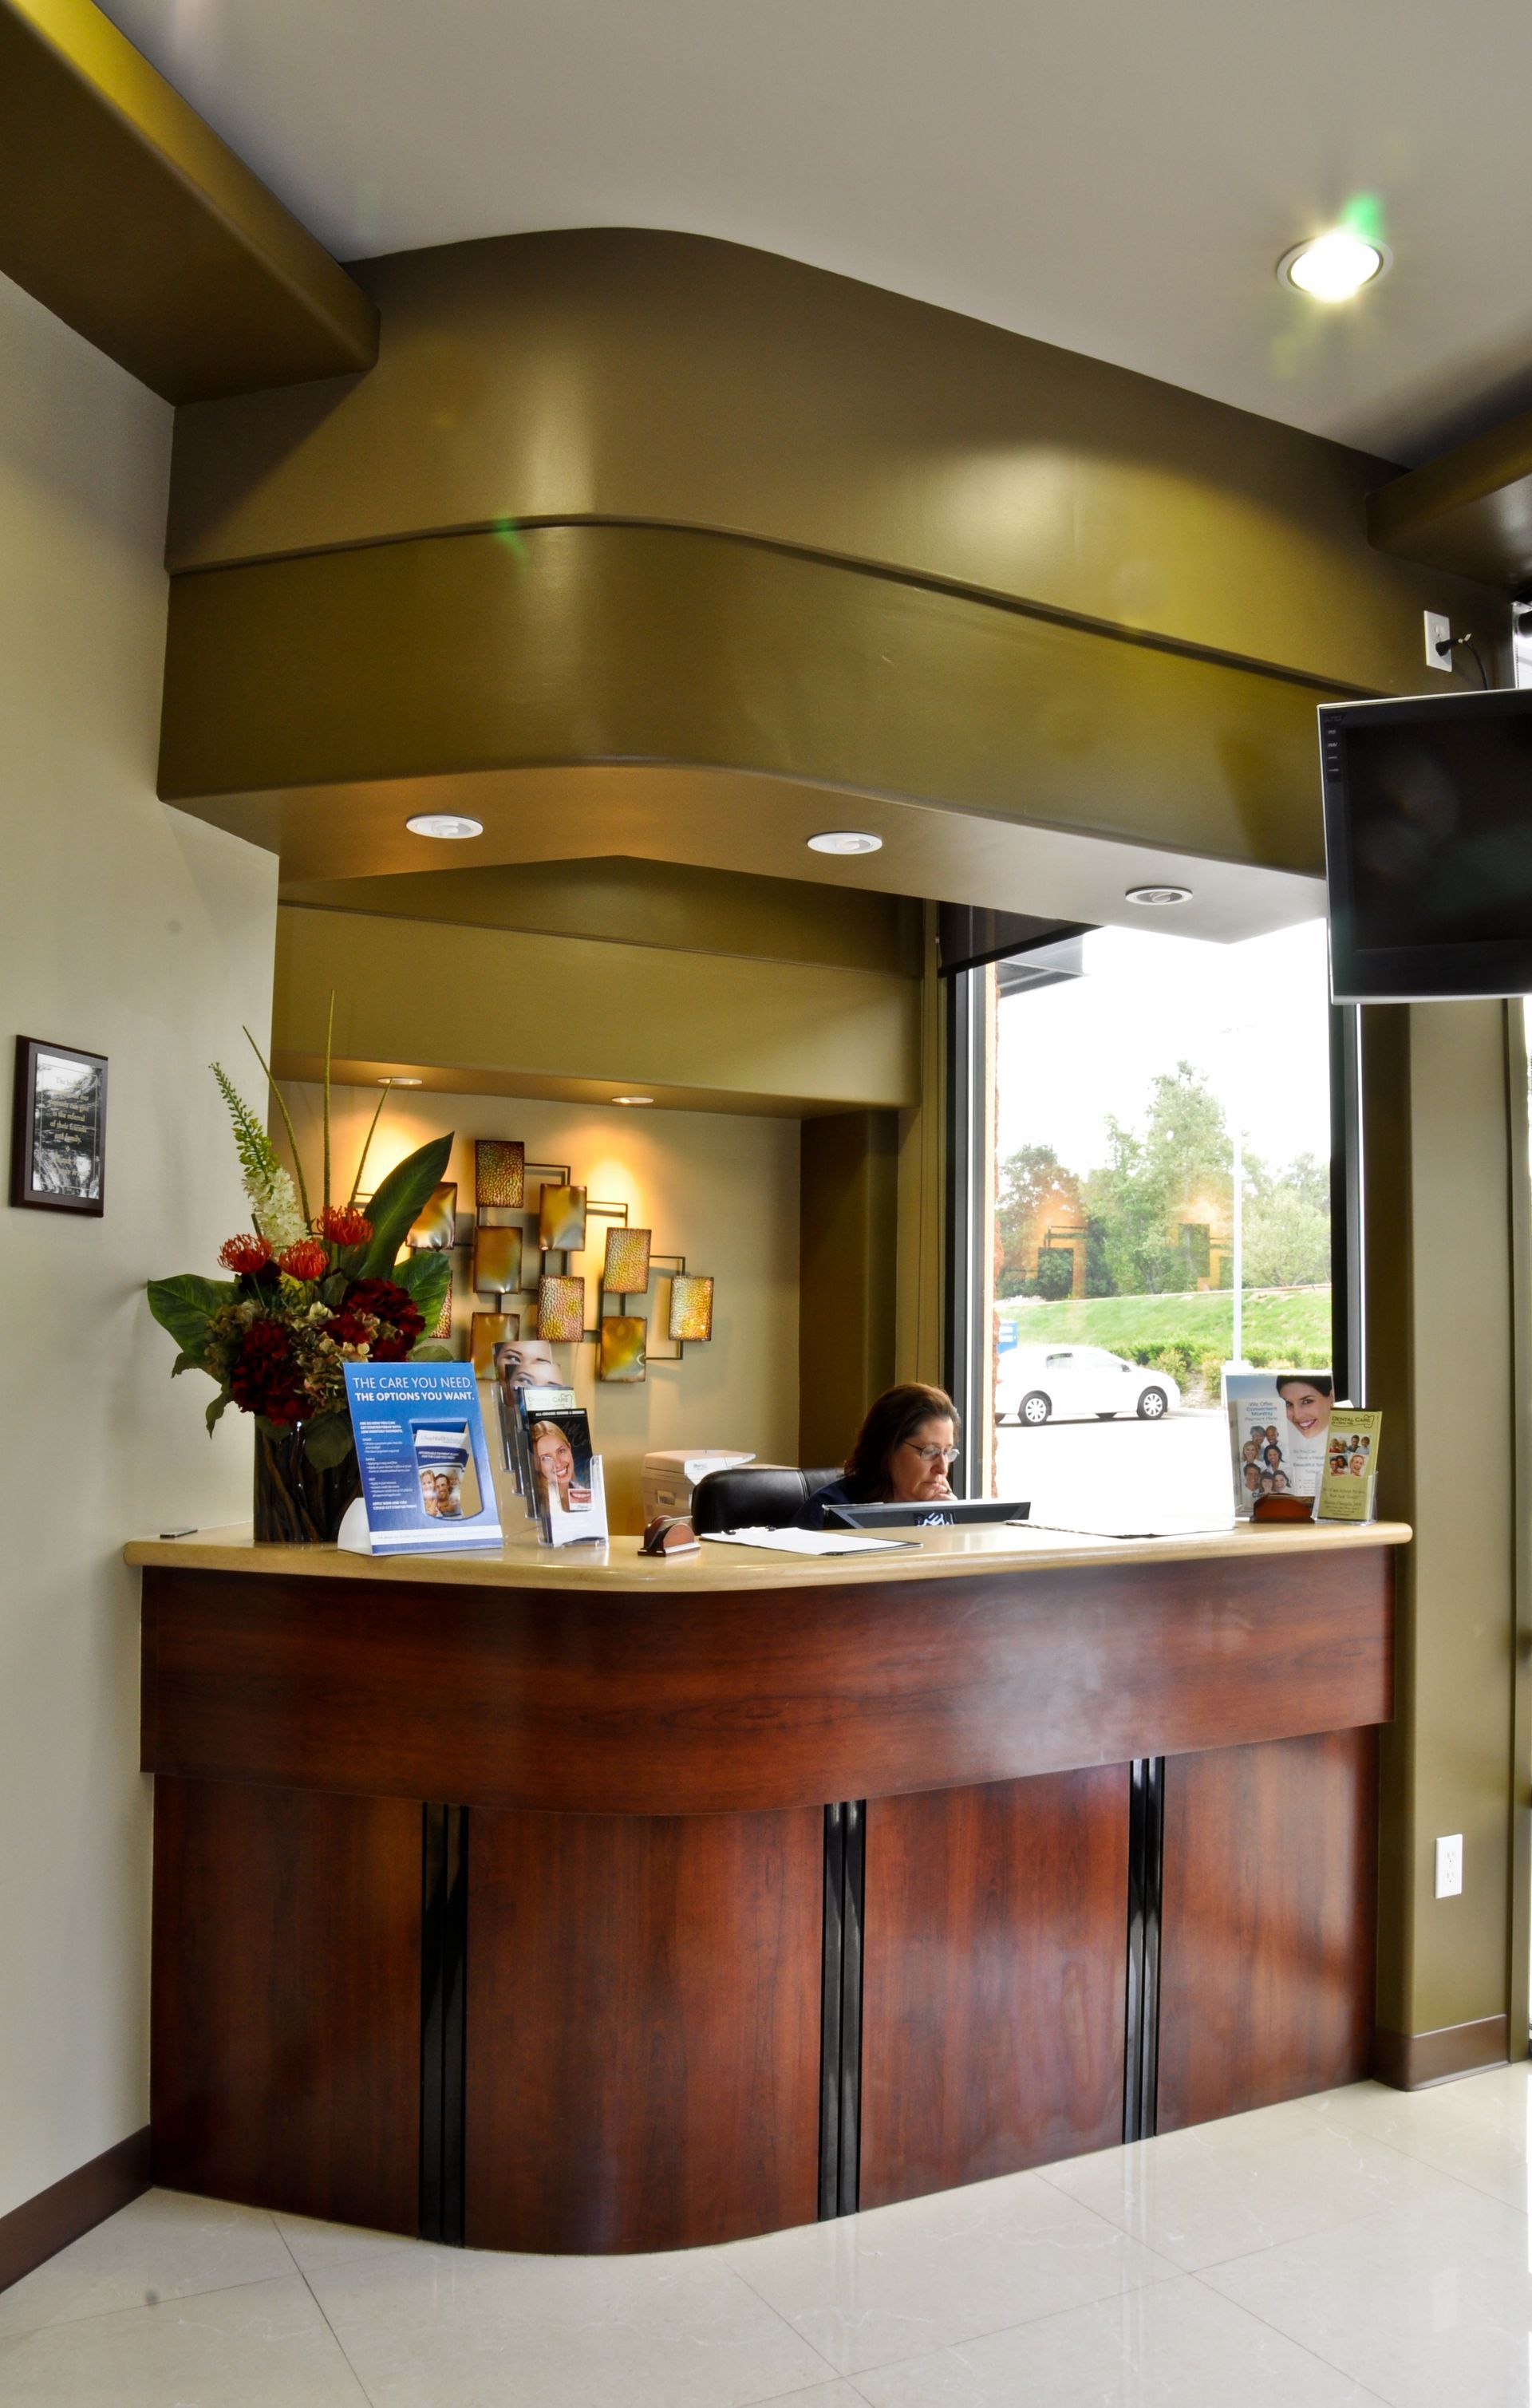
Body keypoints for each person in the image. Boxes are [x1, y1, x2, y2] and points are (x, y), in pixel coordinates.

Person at [796, 1383, 961, 1527]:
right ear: (886, 1448)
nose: (942, 1468)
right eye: (931, 1452)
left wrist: (954, 1523)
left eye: (946, 1453)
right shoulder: (828, 1514)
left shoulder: (941, 1509)